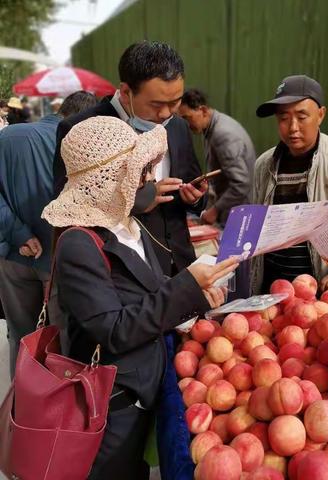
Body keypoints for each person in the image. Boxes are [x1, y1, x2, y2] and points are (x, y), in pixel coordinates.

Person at [42, 116, 238, 479]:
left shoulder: (128, 222)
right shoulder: (78, 243)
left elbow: (149, 288)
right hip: (112, 402)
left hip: (146, 384)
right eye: (140, 170)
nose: (148, 178)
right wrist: (186, 288)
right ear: (113, 179)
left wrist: (194, 300)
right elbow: (113, 329)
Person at [53, 41, 208, 277]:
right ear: (126, 92)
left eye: (175, 102)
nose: (166, 114)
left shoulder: (177, 126)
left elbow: (190, 180)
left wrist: (195, 198)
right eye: (156, 104)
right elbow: (69, 207)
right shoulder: (80, 129)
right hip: (124, 274)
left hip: (180, 262)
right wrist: (140, 198)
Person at [0, 91, 97, 377]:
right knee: (64, 338)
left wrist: (18, 234)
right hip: (60, 258)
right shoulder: (80, 143)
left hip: (12, 258)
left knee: (21, 335)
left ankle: (23, 406)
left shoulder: (8, 137)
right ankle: (58, 407)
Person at [251, 75, 328, 294]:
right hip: (270, 293)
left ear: (321, 115)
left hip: (321, 293)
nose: (292, 127)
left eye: (301, 116)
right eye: (283, 118)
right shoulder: (263, 165)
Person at [179, 88, 256, 226]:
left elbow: (241, 184)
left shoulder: (222, 134)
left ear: (202, 110)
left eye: (187, 117)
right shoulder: (213, 127)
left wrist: (214, 210)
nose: (186, 124)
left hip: (238, 217)